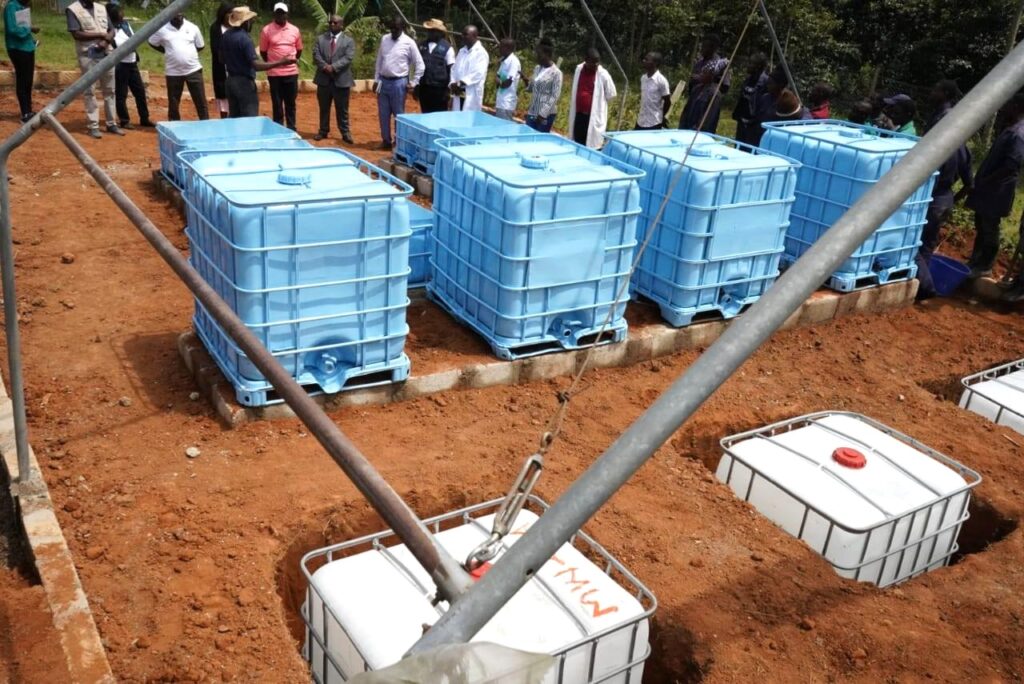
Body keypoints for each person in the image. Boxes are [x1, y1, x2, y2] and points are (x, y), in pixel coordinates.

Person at [916, 80, 973, 300]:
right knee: (927, 245)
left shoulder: (941, 130)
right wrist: (951, 200)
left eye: (936, 90)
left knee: (916, 243)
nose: (932, 92)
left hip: (932, 195)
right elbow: (969, 183)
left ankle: (927, 288)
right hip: (944, 197)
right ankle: (923, 288)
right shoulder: (962, 148)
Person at [965, 91, 1024, 281]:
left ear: (1017, 107)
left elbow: (1011, 166)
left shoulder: (1018, 134)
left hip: (997, 191)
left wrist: (986, 180)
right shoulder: (1011, 129)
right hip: (989, 190)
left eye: (1009, 104)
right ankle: (975, 261)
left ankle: (985, 266)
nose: (1005, 107)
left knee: (989, 228)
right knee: (981, 225)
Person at [221, 6, 294, 118]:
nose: (252, 23)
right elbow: (256, 65)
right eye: (250, 20)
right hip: (244, 83)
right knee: (250, 118)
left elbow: (221, 58)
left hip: (230, 81)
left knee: (234, 117)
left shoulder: (226, 35)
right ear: (245, 22)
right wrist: (281, 62)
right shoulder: (244, 39)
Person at [66, 0, 121, 138]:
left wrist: (105, 41)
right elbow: (76, 34)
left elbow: (112, 29)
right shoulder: (73, 9)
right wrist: (100, 35)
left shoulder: (101, 8)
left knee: (110, 90)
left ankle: (111, 123)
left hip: (106, 53)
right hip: (88, 55)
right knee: (90, 91)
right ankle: (93, 126)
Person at [373, 16, 423, 150]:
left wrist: (414, 82)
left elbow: (420, 64)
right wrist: (376, 79)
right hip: (383, 81)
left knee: (398, 114)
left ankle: (399, 142)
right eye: (391, 28)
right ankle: (386, 141)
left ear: (402, 28)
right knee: (383, 114)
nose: (393, 31)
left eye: (396, 28)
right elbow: (379, 60)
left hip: (399, 83)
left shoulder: (409, 43)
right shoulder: (385, 39)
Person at [149, 12, 207, 121]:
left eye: (180, 14)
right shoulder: (162, 29)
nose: (178, 17)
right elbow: (152, 42)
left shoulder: (193, 27)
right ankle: (174, 124)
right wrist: (167, 51)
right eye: (175, 15)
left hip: (193, 70)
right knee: (173, 102)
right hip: (173, 72)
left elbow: (200, 46)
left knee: (200, 99)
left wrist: (187, 54)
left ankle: (205, 122)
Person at [108, 4, 153, 129]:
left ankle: (144, 118)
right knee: (121, 94)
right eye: (120, 12)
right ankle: (124, 120)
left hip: (132, 62)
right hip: (120, 64)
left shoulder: (126, 25)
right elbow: (116, 45)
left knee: (140, 92)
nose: (122, 14)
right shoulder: (109, 29)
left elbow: (134, 39)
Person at [260, 2, 302, 131]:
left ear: (287, 14)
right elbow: (263, 52)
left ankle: (291, 128)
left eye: (283, 13)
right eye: (278, 13)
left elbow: (299, 50)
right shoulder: (266, 30)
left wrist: (290, 61)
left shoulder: (295, 30)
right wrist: (275, 63)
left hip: (291, 73)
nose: (281, 15)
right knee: (277, 103)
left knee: (291, 103)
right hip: (275, 74)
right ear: (274, 14)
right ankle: (278, 129)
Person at [312, 14, 354, 143]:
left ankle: (345, 132)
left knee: (342, 109)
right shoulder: (321, 39)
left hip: (341, 80)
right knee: (324, 108)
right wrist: (325, 66)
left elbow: (348, 57)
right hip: (324, 79)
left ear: (342, 25)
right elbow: (316, 54)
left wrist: (334, 67)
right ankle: (323, 131)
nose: (332, 24)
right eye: (330, 22)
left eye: (335, 23)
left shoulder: (348, 41)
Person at [679, 34, 730, 133]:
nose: (702, 49)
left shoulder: (718, 65)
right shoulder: (699, 63)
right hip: (695, 98)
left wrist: (708, 83)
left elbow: (725, 87)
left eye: (705, 47)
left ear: (713, 48)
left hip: (707, 101)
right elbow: (692, 83)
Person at [568, 48, 616, 148]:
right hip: (579, 115)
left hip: (592, 117)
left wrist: (598, 103)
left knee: (591, 147)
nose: (596, 65)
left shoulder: (603, 74)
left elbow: (611, 94)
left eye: (597, 62)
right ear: (586, 60)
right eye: (593, 62)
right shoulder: (579, 70)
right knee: (577, 143)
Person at [4, 0, 39, 122]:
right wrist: (30, 29)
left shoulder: (22, 6)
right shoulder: (11, 7)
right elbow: (13, 30)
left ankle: (29, 110)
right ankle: (25, 113)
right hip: (17, 48)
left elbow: (23, 25)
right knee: (23, 80)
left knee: (28, 81)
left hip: (28, 47)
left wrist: (32, 40)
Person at [522, 39, 562, 132]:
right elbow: (532, 88)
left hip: (545, 115)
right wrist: (525, 80)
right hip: (533, 111)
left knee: (539, 138)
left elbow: (554, 96)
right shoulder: (537, 68)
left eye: (538, 54)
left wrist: (542, 114)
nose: (536, 56)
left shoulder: (556, 73)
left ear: (546, 54)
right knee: (528, 136)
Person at [417, 18, 453, 114]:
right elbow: (417, 66)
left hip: (439, 90)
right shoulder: (421, 45)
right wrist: (416, 85)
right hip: (424, 88)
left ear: (440, 33)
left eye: (433, 31)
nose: (430, 33)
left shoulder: (447, 48)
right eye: (429, 30)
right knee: (425, 114)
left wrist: (448, 90)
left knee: (439, 116)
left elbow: (451, 69)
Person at [731, 52, 768, 144]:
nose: (748, 65)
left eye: (751, 63)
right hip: (742, 122)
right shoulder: (748, 80)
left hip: (754, 126)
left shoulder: (765, 83)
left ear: (758, 66)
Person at [449, 25, 488, 112]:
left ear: (474, 36)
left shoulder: (481, 53)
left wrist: (460, 83)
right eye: (462, 34)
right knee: (457, 117)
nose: (462, 36)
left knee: (468, 117)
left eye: (465, 34)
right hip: (458, 92)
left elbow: (478, 74)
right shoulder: (462, 51)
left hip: (471, 93)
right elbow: (454, 69)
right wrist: (452, 83)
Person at [636, 51, 671, 130]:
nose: (644, 61)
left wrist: (662, 116)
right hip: (641, 120)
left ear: (655, 63)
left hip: (654, 122)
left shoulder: (661, 81)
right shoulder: (643, 78)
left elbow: (667, 101)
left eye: (647, 59)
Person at [209, 2, 232, 118]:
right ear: (223, 14)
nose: (231, 15)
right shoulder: (215, 28)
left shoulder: (236, 27)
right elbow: (215, 48)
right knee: (222, 94)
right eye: (229, 13)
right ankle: (224, 119)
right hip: (221, 67)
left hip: (235, 67)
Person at [494, 38, 520, 120]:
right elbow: (497, 75)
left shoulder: (514, 62)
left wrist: (499, 82)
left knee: (503, 126)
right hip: (500, 101)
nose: (499, 49)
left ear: (508, 48)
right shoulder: (504, 61)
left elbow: (508, 83)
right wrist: (499, 81)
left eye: (501, 46)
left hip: (506, 103)